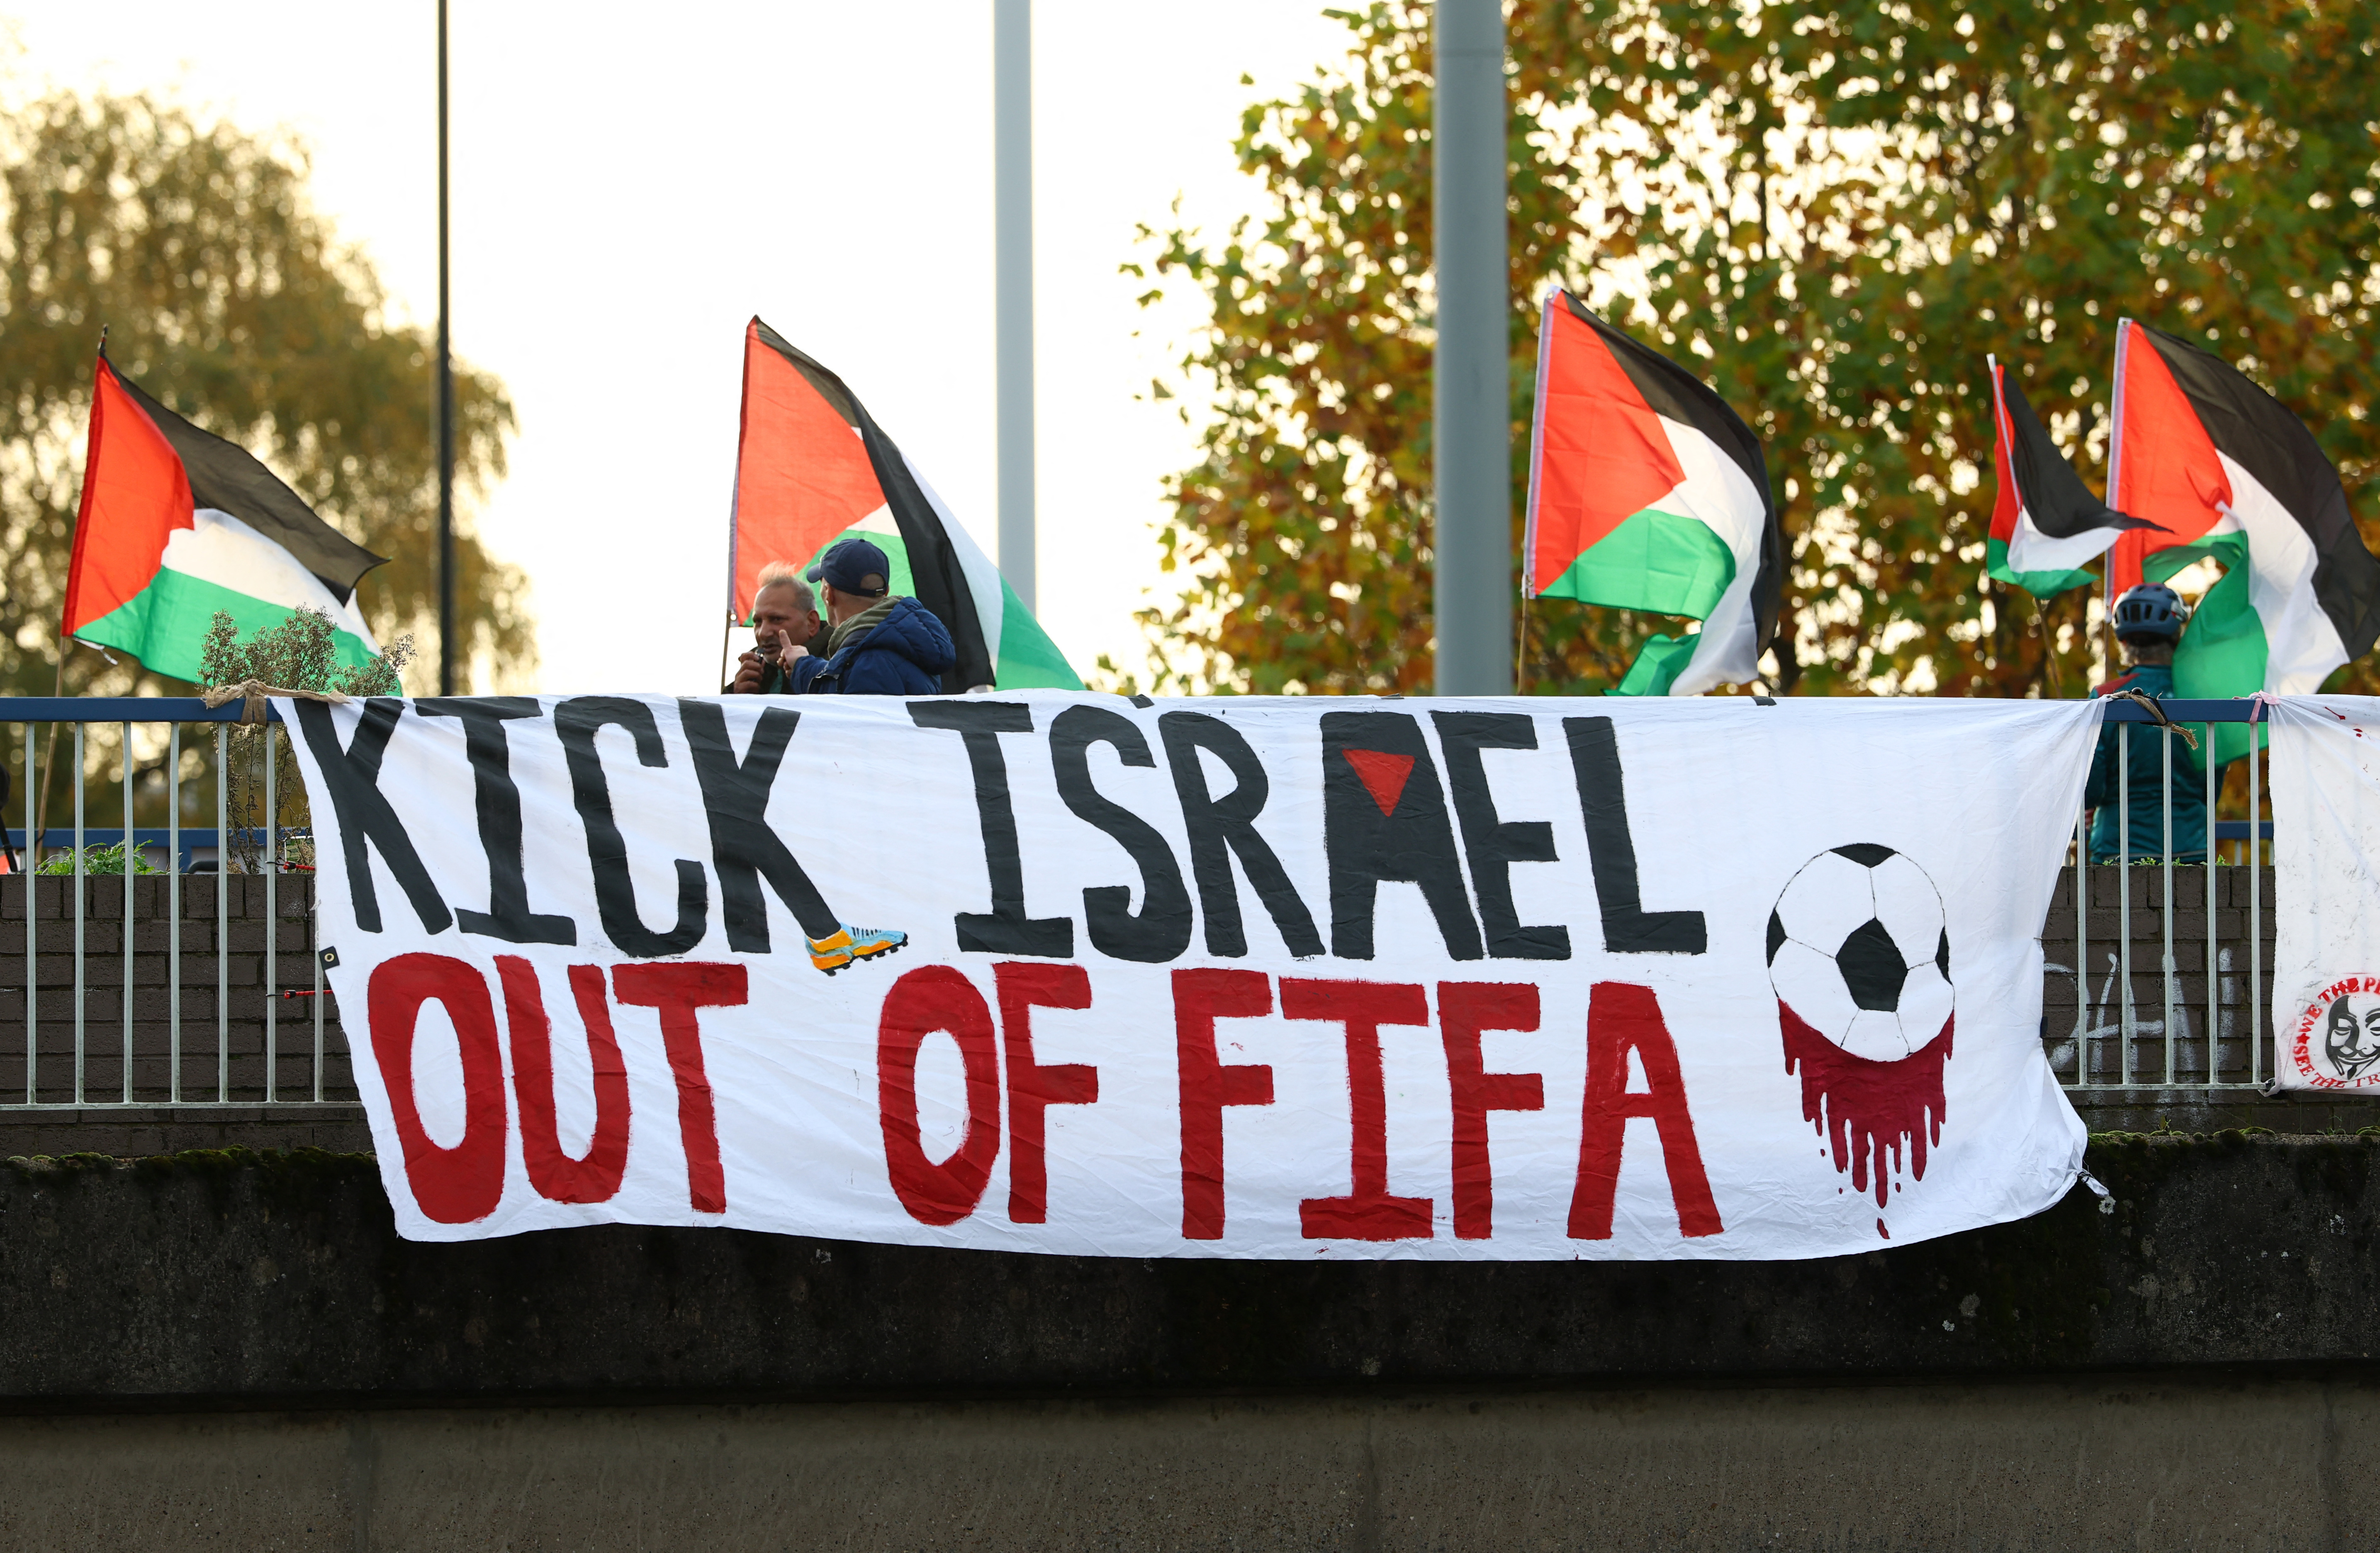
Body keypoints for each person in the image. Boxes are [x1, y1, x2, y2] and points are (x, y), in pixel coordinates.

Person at [2083, 583, 2211, 863]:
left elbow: (2090, 789)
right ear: (2178, 637)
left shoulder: (2105, 696)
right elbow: (2211, 785)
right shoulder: (2203, 695)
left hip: (2118, 848)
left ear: (2125, 641)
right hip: (2192, 844)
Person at [782, 536, 956, 695]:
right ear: (885, 592)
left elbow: (851, 717)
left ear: (829, 594)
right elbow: (847, 679)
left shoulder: (870, 662)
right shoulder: (897, 641)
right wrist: (803, 666)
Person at [726, 563, 823, 694]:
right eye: (758, 622)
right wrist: (739, 699)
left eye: (777, 620)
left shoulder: (843, 667)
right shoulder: (754, 675)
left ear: (811, 623)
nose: (763, 633)